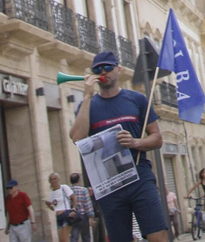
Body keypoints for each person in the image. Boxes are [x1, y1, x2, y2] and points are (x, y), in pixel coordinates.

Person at [68, 50, 171, 242]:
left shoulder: (137, 100)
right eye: (97, 69)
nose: (103, 71)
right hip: (109, 183)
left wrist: (135, 142)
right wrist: (87, 97)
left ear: (119, 69)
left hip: (140, 176)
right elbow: (76, 137)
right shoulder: (87, 105)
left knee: (157, 235)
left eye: (108, 67)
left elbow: (157, 138)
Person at [44, 172, 73, 242]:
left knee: (64, 239)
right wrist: (49, 205)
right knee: (61, 240)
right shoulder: (51, 193)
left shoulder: (64, 187)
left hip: (66, 214)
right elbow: (53, 208)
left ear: (58, 179)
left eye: (55, 179)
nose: (54, 181)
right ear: (50, 181)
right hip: (58, 216)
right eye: (52, 179)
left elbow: (74, 198)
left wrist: (73, 209)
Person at [68, 175, 94, 242]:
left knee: (74, 237)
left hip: (73, 216)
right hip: (83, 216)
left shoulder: (68, 191)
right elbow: (88, 204)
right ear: (78, 180)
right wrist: (91, 217)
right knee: (86, 237)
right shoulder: (83, 190)